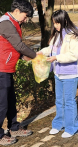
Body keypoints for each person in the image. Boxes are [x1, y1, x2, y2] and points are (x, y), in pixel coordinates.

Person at [0, 0, 37, 146]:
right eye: (25, 15)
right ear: (16, 11)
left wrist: (24, 57)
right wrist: (36, 55)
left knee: (10, 101)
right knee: (0, 104)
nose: (26, 19)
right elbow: (19, 45)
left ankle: (14, 127)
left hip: (5, 68)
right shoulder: (6, 23)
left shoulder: (11, 22)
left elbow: (10, 47)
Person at [37, 10, 78, 138]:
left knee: (69, 101)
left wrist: (56, 58)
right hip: (58, 74)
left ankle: (71, 128)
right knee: (59, 101)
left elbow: (74, 55)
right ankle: (58, 124)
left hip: (70, 74)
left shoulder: (73, 35)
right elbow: (51, 49)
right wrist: (41, 53)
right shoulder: (56, 35)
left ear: (64, 21)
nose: (55, 26)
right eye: (54, 23)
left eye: (57, 23)